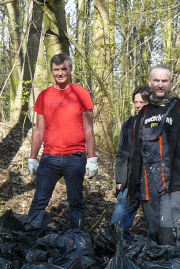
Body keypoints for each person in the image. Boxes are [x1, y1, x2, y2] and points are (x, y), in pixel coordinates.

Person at [125, 64, 180, 245]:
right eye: (156, 80)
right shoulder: (143, 113)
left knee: (168, 234)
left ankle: (174, 262)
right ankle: (156, 263)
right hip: (147, 184)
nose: (160, 84)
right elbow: (135, 152)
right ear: (149, 82)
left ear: (170, 83)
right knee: (153, 234)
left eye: (164, 81)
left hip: (172, 184)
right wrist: (133, 186)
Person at [28, 53, 98, 230]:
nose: (60, 73)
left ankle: (77, 240)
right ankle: (29, 237)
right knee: (39, 201)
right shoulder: (44, 96)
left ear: (70, 69)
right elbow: (39, 130)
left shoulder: (81, 94)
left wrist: (92, 158)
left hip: (75, 157)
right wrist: (32, 158)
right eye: (56, 70)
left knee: (75, 202)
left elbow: (88, 129)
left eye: (63, 69)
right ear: (52, 71)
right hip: (49, 157)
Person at [111, 85, 150, 233]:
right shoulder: (127, 125)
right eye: (136, 102)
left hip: (150, 182)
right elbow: (121, 154)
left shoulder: (157, 125)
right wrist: (119, 180)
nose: (138, 105)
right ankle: (123, 245)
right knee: (116, 226)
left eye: (142, 102)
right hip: (129, 182)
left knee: (158, 228)